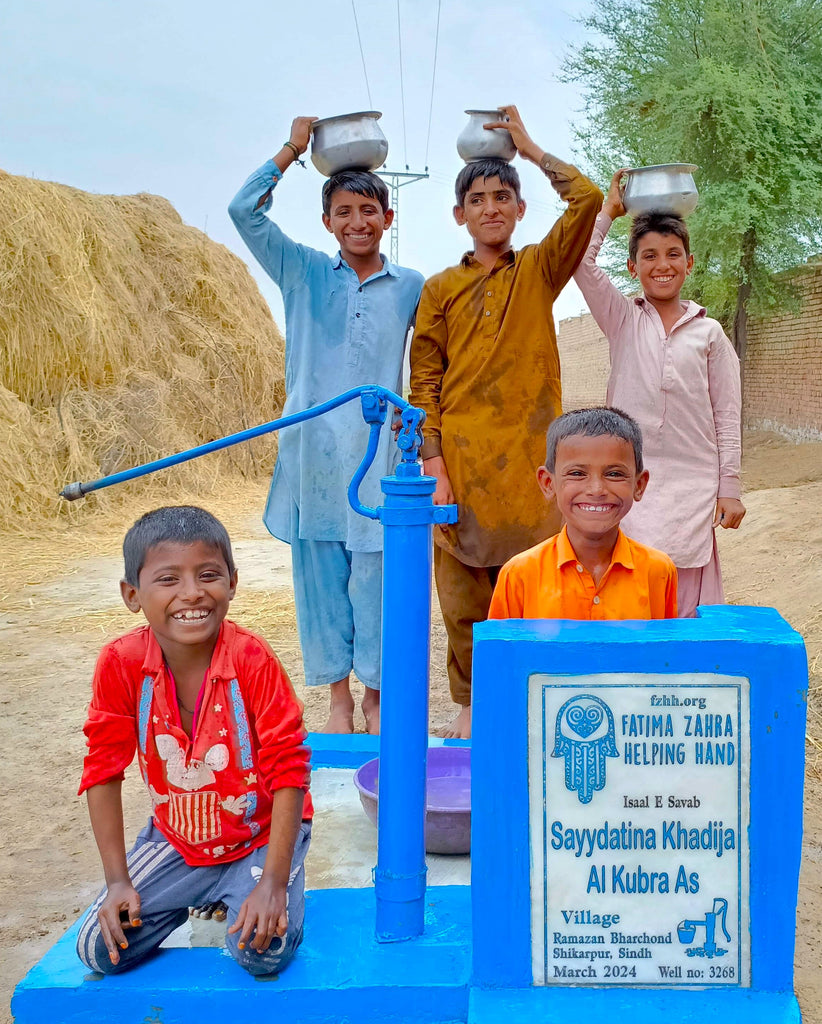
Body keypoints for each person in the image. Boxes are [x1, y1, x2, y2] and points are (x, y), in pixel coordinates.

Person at [409, 104, 603, 738]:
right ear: (459, 214)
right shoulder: (438, 290)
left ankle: (535, 705)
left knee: (535, 593)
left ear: (520, 209)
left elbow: (589, 199)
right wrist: (432, 463)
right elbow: (425, 383)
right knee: (464, 600)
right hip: (460, 467)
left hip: (528, 470)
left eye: (502, 196)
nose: (490, 207)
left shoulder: (539, 272)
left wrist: (532, 147)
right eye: (478, 198)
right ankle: (468, 709)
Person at [228, 117, 424, 734]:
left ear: (387, 219)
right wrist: (291, 148)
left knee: (375, 580)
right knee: (320, 581)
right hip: (312, 453)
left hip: (378, 456)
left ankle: (374, 693)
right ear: (327, 222)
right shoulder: (302, 272)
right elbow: (243, 210)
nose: (357, 222)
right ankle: (336, 696)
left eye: (369, 210)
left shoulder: (412, 286)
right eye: (344, 211)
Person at [76, 506, 312, 977]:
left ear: (233, 582)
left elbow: (290, 771)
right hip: (179, 838)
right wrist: (118, 882)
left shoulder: (251, 659)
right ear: (132, 594)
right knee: (101, 952)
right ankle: (197, 893)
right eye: (168, 579)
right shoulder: (121, 663)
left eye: (208, 575)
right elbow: (103, 769)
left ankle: (245, 888)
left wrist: (273, 884)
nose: (192, 593)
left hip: (256, 837)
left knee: (261, 953)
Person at [573, 170, 745, 617]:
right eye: (649, 255)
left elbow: (727, 416)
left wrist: (730, 487)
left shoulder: (709, 334)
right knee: (628, 592)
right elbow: (582, 265)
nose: (661, 264)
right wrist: (609, 211)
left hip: (693, 489)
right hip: (633, 486)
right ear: (632, 267)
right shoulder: (623, 319)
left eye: (673, 254)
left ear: (690, 263)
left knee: (684, 606)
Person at [489, 407, 677, 620]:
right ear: (548, 483)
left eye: (614, 474)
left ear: (639, 485)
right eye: (577, 474)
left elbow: (664, 650)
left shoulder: (658, 571)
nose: (596, 489)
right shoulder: (519, 574)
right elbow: (502, 652)